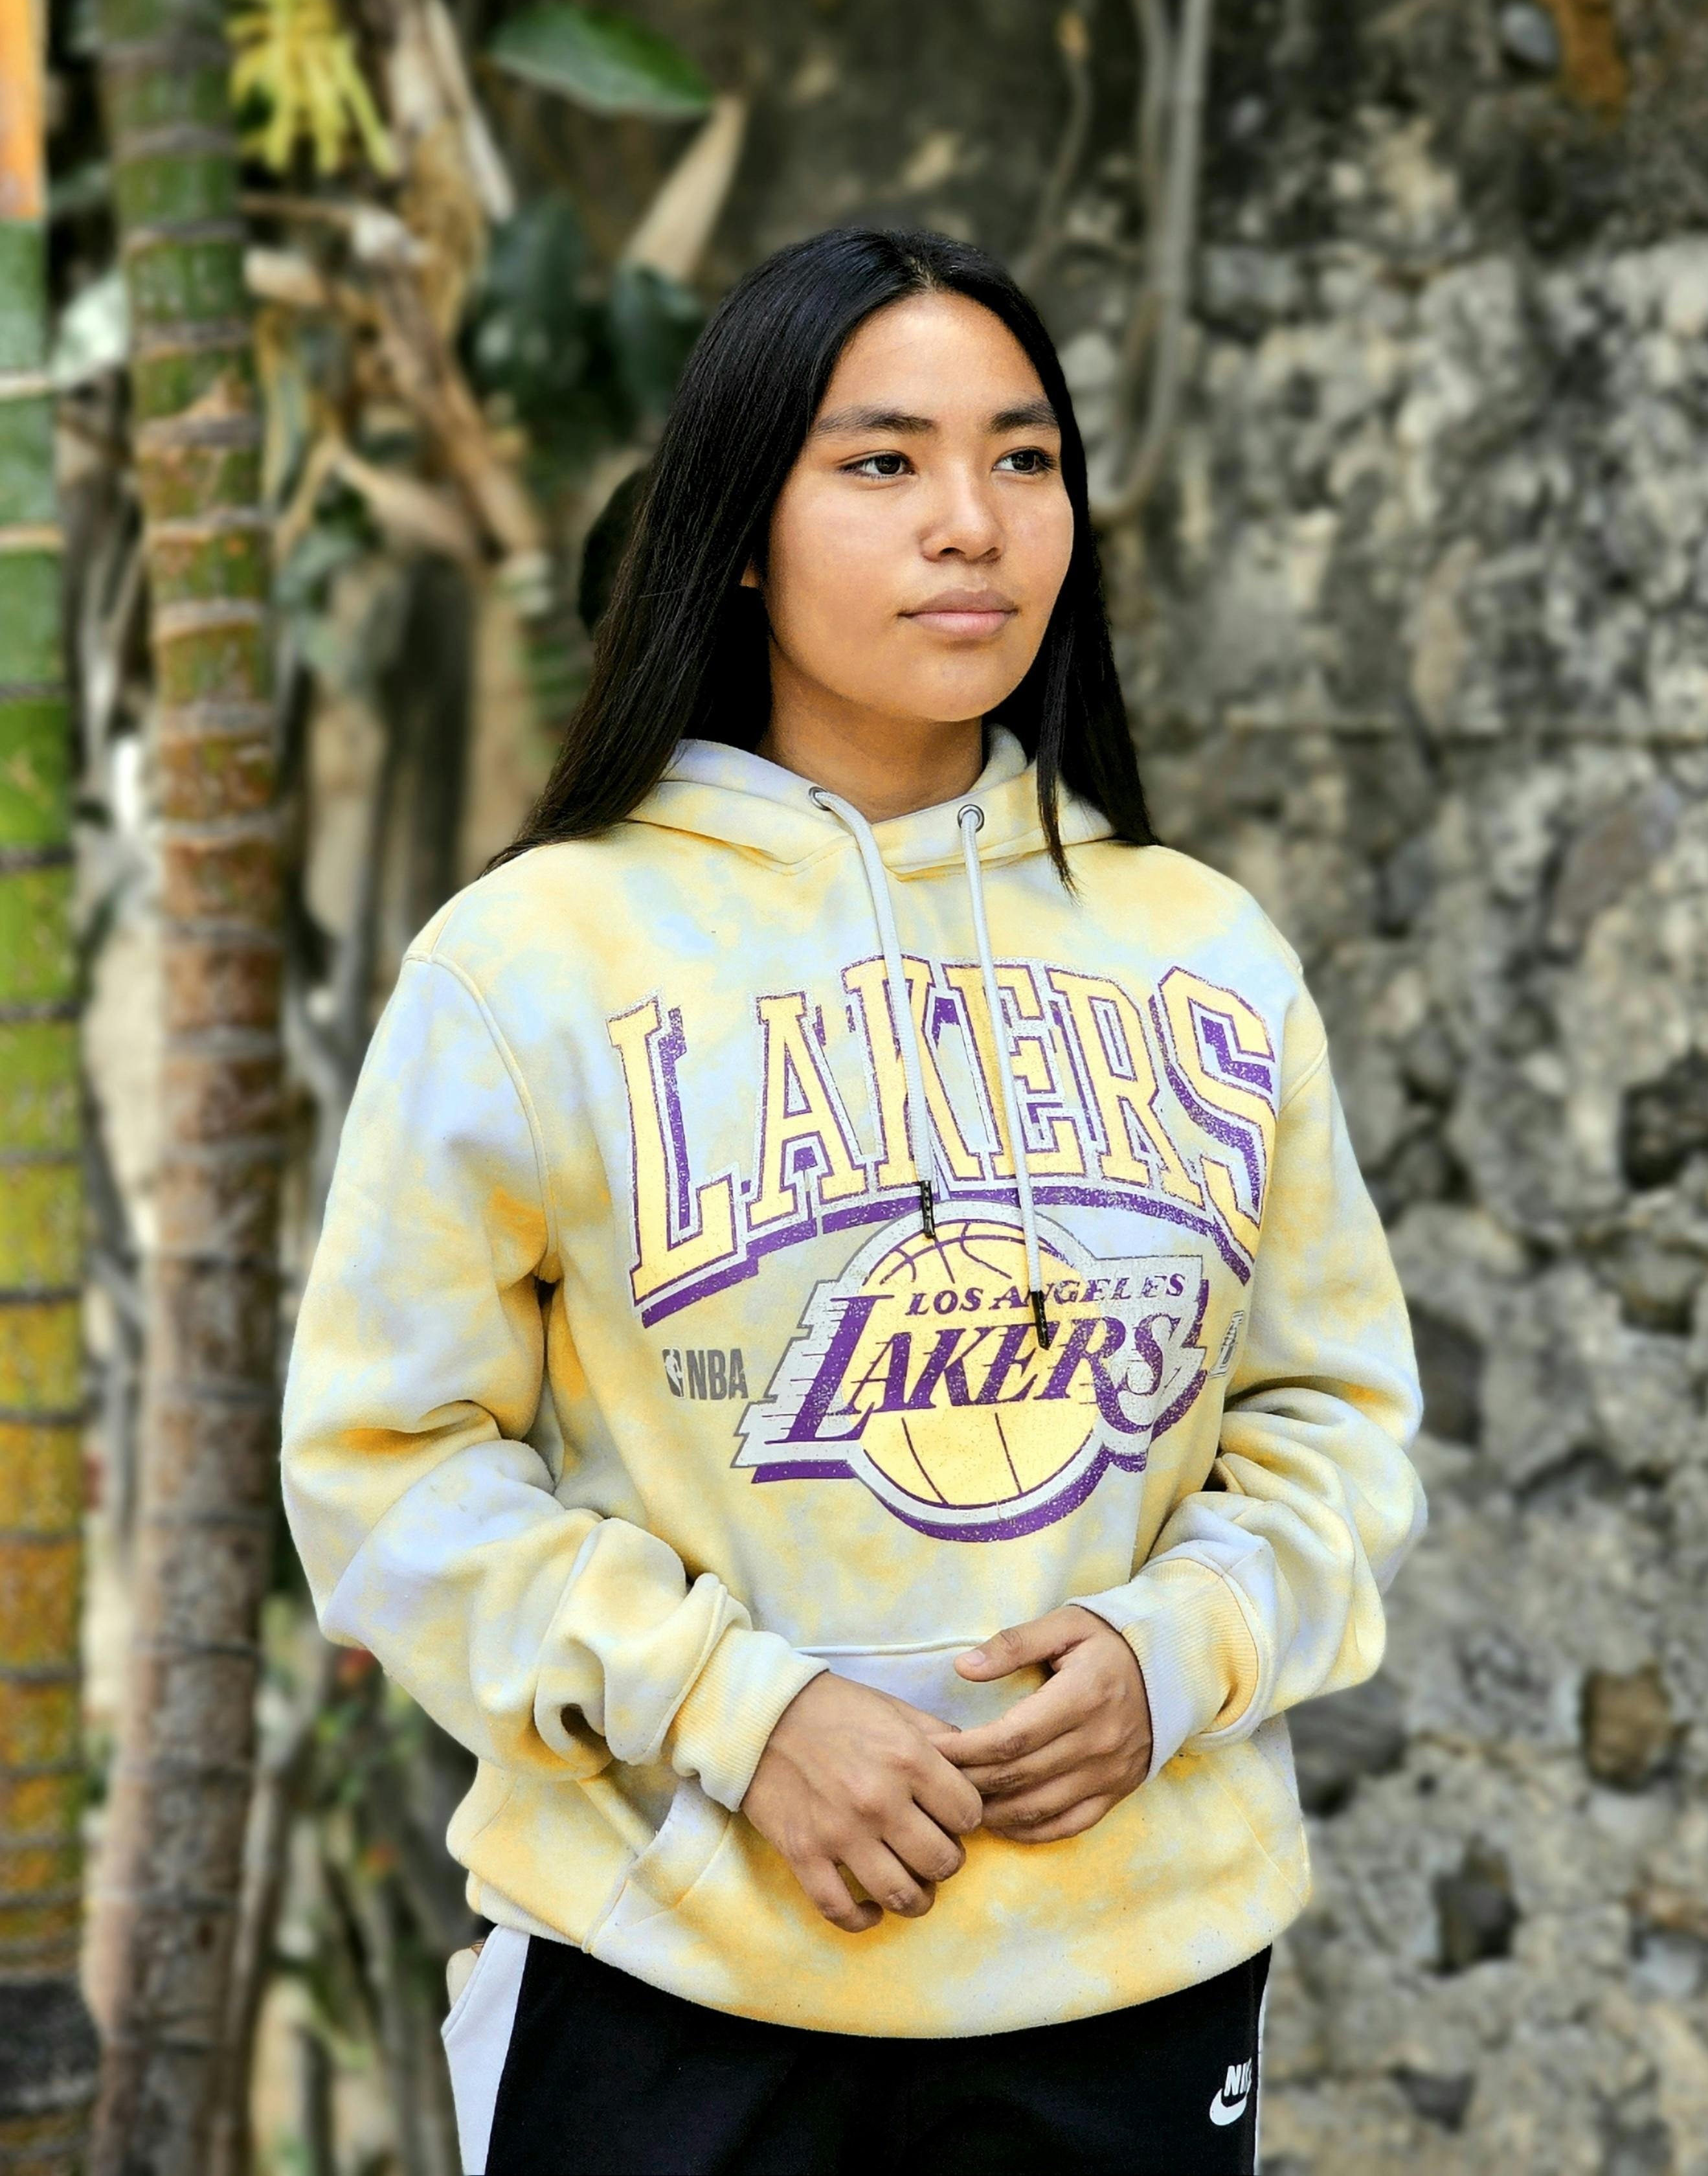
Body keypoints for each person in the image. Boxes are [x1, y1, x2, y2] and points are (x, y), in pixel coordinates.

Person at [281, 226, 1426, 2176]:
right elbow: (384, 1469)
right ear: (740, 526)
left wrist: (1180, 1651)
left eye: (1023, 457)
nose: (968, 523)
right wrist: (734, 1706)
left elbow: (1333, 1424)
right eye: (881, 461)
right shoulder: (534, 961)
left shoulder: (1202, 955)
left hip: (1125, 1977)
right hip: (672, 1979)